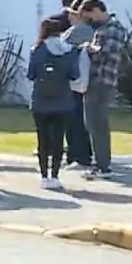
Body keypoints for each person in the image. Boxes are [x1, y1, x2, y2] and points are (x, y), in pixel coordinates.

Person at [28, 17, 82, 190]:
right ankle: (56, 175)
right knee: (58, 139)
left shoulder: (37, 50)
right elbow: (75, 75)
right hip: (63, 101)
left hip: (41, 101)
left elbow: (31, 74)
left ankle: (44, 176)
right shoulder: (68, 51)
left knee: (42, 139)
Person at [76, 0, 126, 179]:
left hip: (102, 80)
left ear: (96, 10)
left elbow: (106, 53)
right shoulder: (102, 29)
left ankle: (103, 166)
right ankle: (100, 164)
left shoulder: (113, 28)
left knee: (98, 124)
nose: (90, 20)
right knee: (92, 123)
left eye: (89, 15)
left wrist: (88, 49)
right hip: (95, 80)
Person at [59, 0, 94, 168]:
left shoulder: (77, 31)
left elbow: (60, 49)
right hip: (83, 80)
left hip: (74, 80)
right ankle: (82, 154)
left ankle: (77, 155)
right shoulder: (89, 31)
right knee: (80, 118)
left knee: (74, 120)